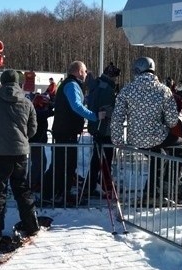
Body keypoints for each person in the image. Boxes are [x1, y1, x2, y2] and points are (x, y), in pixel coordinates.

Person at [110, 57, 182, 206]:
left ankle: (153, 192)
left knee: (158, 157)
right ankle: (167, 183)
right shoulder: (163, 89)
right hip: (158, 137)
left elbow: (117, 117)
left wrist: (117, 140)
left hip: (135, 138)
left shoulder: (127, 90)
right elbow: (172, 120)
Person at [0, 69, 40, 243]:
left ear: (2, 82)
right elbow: (33, 128)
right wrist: (22, 138)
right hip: (20, 152)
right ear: (18, 83)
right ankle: (31, 225)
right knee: (22, 189)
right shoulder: (27, 102)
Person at [43, 61, 103, 205]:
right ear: (79, 71)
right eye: (85, 71)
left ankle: (55, 193)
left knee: (63, 163)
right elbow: (76, 106)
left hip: (65, 130)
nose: (86, 73)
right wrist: (94, 116)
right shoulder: (71, 85)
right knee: (65, 164)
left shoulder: (69, 84)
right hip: (66, 131)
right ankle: (57, 194)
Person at [83, 63, 120, 198]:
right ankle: (104, 185)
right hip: (104, 129)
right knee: (105, 158)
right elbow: (106, 108)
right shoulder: (106, 88)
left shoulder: (97, 84)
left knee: (97, 159)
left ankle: (92, 184)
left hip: (97, 126)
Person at [28, 92, 53, 192]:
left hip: (38, 141)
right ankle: (31, 183)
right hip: (35, 141)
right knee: (37, 163)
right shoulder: (38, 112)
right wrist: (52, 105)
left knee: (42, 162)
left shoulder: (38, 111)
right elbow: (49, 113)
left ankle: (36, 182)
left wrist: (50, 105)